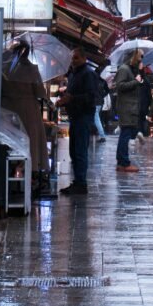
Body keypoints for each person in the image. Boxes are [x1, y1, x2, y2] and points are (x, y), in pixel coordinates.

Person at [1, 40, 50, 196]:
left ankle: (11, 176)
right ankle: (29, 176)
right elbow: (40, 93)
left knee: (11, 143)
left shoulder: (4, 68)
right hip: (29, 111)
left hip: (7, 109)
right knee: (30, 144)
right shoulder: (32, 70)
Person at [57, 46, 97, 195]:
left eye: (76, 58)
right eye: (72, 58)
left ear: (84, 58)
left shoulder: (88, 74)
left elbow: (91, 98)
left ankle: (81, 183)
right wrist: (65, 100)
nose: (73, 61)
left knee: (80, 151)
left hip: (83, 117)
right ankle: (78, 181)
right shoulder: (74, 74)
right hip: (75, 117)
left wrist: (72, 99)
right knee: (74, 151)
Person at [113, 49, 143, 172]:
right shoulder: (124, 69)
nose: (141, 59)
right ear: (134, 56)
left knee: (125, 134)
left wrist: (138, 76)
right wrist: (135, 81)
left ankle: (121, 162)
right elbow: (120, 86)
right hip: (126, 107)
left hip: (130, 107)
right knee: (125, 134)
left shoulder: (130, 69)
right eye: (140, 56)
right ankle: (124, 163)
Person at [91, 68, 108, 142]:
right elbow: (107, 90)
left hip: (94, 102)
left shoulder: (92, 81)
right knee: (96, 118)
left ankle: (102, 135)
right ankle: (97, 132)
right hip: (100, 102)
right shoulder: (103, 81)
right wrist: (102, 95)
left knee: (96, 119)